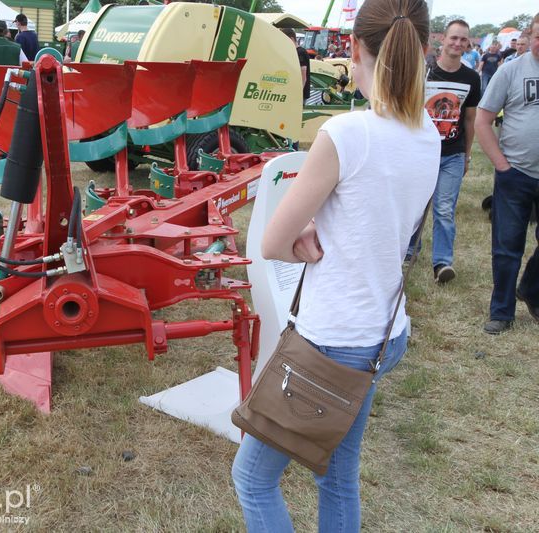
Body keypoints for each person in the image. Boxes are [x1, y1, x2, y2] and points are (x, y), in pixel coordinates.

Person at [231, 0, 439, 531]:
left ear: (354, 49)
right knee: (338, 475)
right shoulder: (430, 136)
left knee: (253, 479)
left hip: (332, 340)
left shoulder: (346, 134)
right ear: (422, 50)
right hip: (384, 332)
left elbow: (272, 241)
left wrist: (301, 234)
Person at [474, 13, 539, 335]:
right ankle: (502, 312)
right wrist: (501, 164)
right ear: (531, 36)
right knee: (507, 247)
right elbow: (483, 120)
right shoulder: (511, 70)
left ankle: (530, 289)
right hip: (516, 174)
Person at [422, 19, 481, 283]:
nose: (458, 43)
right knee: (416, 206)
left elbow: (469, 119)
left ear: (467, 44)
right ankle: (409, 250)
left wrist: (467, 155)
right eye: (453, 38)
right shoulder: (424, 72)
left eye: (463, 39)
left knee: (444, 208)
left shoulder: (471, 78)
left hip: (452, 154)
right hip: (421, 152)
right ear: (442, 40)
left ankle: (442, 263)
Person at [281, 27, 311, 104]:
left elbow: (303, 76)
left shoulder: (300, 52)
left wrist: (297, 94)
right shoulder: (295, 52)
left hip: (300, 94)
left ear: (291, 39)